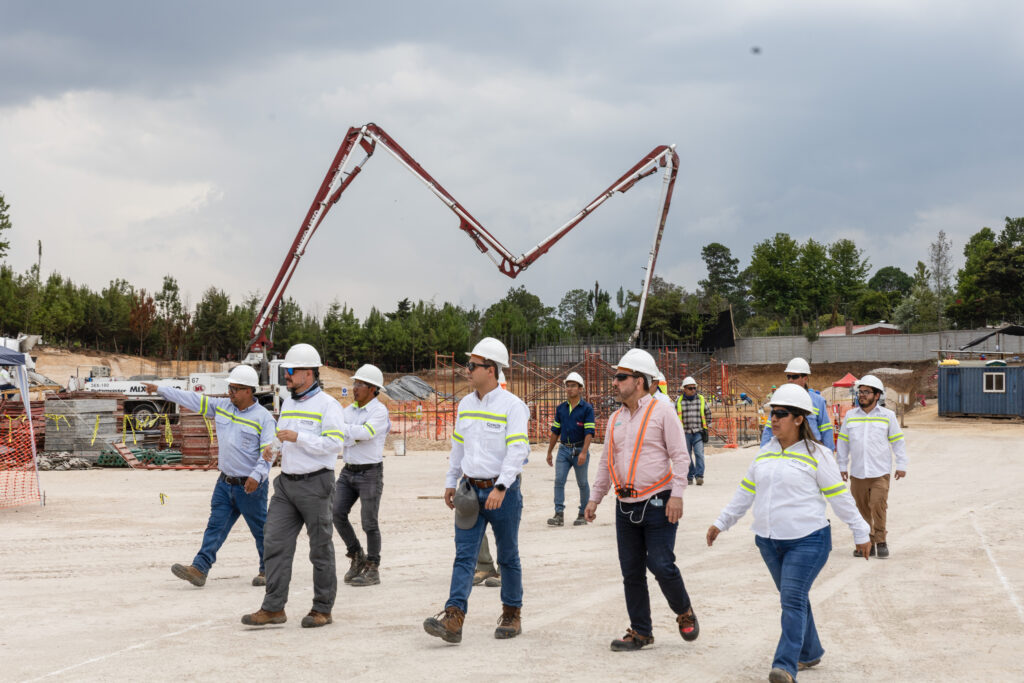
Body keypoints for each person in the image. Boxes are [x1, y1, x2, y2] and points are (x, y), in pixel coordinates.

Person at [706, 383, 871, 683]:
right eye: (772, 412)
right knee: (794, 597)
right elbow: (745, 493)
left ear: (799, 419)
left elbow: (840, 498)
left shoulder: (817, 454)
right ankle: (809, 651)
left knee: (791, 600)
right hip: (768, 543)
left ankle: (785, 666)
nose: (773, 418)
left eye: (781, 413)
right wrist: (722, 522)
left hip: (808, 542)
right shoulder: (764, 453)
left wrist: (862, 532)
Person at [584, 348, 698, 652]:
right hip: (625, 505)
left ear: (640, 381)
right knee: (631, 571)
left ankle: (684, 611)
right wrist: (595, 498)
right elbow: (606, 461)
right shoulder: (614, 420)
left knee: (661, 563)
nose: (614, 382)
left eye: (621, 377)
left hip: (659, 501)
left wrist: (678, 495)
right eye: (615, 377)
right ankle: (641, 631)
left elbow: (680, 456)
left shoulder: (662, 411)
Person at [423, 337, 529, 644]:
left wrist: (501, 486)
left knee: (507, 556)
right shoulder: (466, 405)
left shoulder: (513, 407)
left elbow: (518, 450)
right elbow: (458, 448)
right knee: (464, 557)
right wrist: (450, 481)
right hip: (469, 491)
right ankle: (454, 617)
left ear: (491, 370)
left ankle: (511, 614)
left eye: (472, 365)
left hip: (502, 493)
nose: (466, 370)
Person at [241, 343, 345, 629]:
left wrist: (298, 438)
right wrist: (273, 450)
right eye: (286, 370)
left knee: (320, 549)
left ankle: (322, 609)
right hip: (286, 485)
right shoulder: (288, 403)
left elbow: (335, 444)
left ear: (309, 374)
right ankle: (274, 608)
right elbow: (282, 437)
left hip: (316, 484)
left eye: (291, 370)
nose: (286, 374)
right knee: (274, 542)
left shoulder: (328, 405)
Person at [143, 366, 277, 588]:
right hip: (225, 483)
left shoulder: (263, 419)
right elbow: (192, 398)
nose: (230, 392)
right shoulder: (222, 407)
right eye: (230, 387)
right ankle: (200, 568)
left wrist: (257, 474)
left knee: (261, 530)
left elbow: (269, 451)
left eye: (235, 388)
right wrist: (161, 389)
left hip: (251, 486)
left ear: (248, 391)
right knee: (215, 526)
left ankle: (269, 569)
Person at [836, 374, 907, 559]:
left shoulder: (887, 416)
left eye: (866, 392)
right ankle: (868, 544)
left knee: (878, 505)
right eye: (860, 392)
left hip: (880, 472)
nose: (862, 395)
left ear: (877, 395)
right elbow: (843, 443)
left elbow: (898, 441)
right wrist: (842, 466)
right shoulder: (850, 417)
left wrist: (901, 464)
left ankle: (881, 540)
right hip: (858, 473)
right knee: (861, 510)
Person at [335, 364, 392, 586]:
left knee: (369, 522)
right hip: (348, 470)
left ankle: (373, 568)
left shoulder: (379, 412)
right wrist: (352, 434)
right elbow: (342, 434)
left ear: (372, 389)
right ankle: (357, 554)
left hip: (370, 472)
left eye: (359, 384)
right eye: (354, 383)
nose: (354, 388)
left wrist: (348, 432)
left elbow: (366, 433)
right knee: (336, 513)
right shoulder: (348, 411)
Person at [545, 371, 596, 527]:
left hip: (580, 449)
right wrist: (549, 452)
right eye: (568, 386)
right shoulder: (561, 409)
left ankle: (583, 514)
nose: (569, 389)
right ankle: (558, 514)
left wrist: (584, 452)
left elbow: (589, 432)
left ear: (580, 389)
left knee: (582, 483)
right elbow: (555, 431)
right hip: (563, 450)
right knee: (559, 481)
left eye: (573, 386)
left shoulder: (587, 409)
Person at [760, 358, 834, 451]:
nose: (790, 380)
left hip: (812, 451)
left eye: (794, 377)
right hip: (788, 451)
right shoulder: (780, 400)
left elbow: (826, 429)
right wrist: (763, 452)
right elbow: (769, 429)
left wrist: (828, 455)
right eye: (788, 376)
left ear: (805, 378)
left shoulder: (818, 401)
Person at [675, 376, 711, 486]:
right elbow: (674, 417)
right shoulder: (679, 401)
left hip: (698, 432)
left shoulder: (700, 399)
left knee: (699, 454)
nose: (693, 390)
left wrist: (706, 427)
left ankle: (699, 476)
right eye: (690, 388)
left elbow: (708, 413)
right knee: (687, 455)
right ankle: (690, 476)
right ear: (684, 389)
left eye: (694, 388)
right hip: (684, 433)